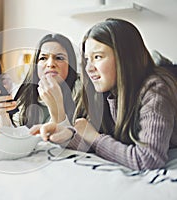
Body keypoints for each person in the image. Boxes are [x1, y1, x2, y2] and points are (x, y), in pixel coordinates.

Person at [30, 18, 177, 170]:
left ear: (124, 58)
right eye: (87, 59)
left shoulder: (155, 90)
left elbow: (148, 160)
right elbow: (91, 143)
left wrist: (95, 137)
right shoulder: (100, 92)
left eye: (98, 57)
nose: (89, 68)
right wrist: (67, 136)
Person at [0, 33, 79, 128]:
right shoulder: (24, 94)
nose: (50, 64)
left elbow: (73, 140)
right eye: (43, 58)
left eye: (59, 58)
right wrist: (3, 114)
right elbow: (13, 135)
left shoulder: (81, 96)